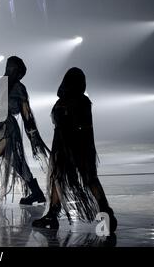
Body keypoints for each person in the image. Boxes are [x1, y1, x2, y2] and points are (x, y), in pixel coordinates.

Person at [32, 67, 117, 233]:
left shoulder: (71, 102)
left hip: (70, 145)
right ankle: (104, 212)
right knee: (78, 178)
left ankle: (53, 215)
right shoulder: (81, 101)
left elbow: (77, 126)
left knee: (66, 178)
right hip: (77, 145)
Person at [0, 56, 50, 209]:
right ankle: (36, 193)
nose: (11, 70)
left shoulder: (19, 87)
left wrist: (33, 135)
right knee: (17, 164)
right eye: (10, 67)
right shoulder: (0, 83)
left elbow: (26, 113)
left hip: (8, 128)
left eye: (14, 68)